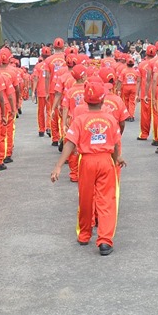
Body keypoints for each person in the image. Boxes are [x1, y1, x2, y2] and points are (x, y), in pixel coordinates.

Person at [50, 80, 125, 255]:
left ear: (85, 99)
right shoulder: (110, 119)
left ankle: (84, 234)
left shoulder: (80, 120)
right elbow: (115, 144)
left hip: (86, 161)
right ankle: (105, 240)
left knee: (85, 199)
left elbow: (70, 143)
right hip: (106, 161)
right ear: (103, 99)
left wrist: (58, 166)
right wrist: (117, 159)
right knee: (106, 200)